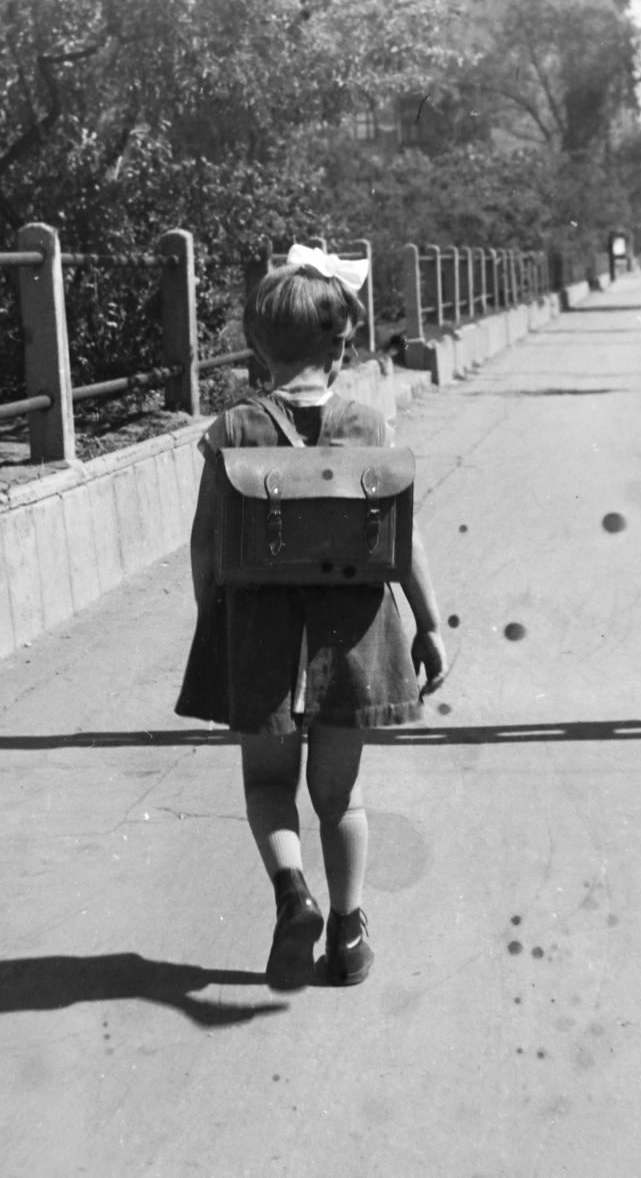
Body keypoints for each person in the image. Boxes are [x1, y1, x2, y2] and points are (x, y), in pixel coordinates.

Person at [175, 247, 449, 991]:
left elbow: (205, 542)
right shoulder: (365, 422)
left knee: (268, 786)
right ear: (341, 345)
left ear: (258, 345)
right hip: (351, 633)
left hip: (261, 630)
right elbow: (403, 538)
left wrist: (217, 621)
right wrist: (427, 623)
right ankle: (350, 933)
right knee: (341, 797)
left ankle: (293, 893)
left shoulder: (233, 429)